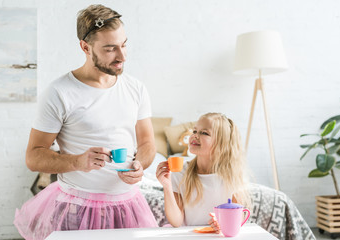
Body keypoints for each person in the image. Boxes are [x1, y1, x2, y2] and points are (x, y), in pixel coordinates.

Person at [14, 4, 158, 240]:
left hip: (129, 205)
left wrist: (139, 165)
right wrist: (78, 161)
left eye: (123, 45)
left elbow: (147, 143)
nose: (122, 56)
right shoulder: (59, 92)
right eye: (110, 49)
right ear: (85, 46)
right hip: (76, 209)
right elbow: (33, 157)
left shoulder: (136, 88)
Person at [156, 112, 251, 232]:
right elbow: (176, 221)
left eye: (204, 133)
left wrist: (223, 223)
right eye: (195, 131)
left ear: (221, 144)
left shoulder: (234, 175)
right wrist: (167, 186)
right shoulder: (180, 172)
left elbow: (238, 217)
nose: (195, 136)